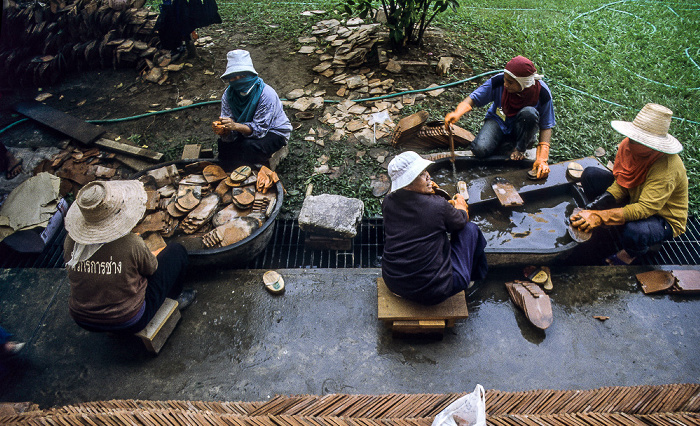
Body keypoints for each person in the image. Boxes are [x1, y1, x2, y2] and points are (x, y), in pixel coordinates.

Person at [63, 180, 195, 334]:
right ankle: (175, 297)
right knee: (176, 252)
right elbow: (151, 269)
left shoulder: (70, 241)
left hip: (82, 319)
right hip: (129, 320)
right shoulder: (131, 243)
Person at [570, 103, 688, 265]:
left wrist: (600, 216)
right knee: (591, 175)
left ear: (652, 145)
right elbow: (622, 183)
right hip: (634, 196)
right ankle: (611, 222)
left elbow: (645, 208)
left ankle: (633, 252)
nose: (629, 142)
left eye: (637, 140)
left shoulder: (667, 167)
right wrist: (598, 205)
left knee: (636, 232)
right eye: (632, 137)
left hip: (660, 216)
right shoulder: (629, 146)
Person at [381, 151, 488, 305]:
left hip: (394, 282)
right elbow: (461, 220)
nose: (428, 176)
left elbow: (421, 215)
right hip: (433, 291)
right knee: (470, 229)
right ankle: (473, 280)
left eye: (425, 171)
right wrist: (460, 205)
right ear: (408, 183)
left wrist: (430, 191)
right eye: (420, 174)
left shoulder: (388, 201)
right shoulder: (437, 205)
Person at [445, 55, 555, 179]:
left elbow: (546, 126)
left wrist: (542, 159)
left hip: (523, 125)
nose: (505, 84)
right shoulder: (498, 82)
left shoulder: (542, 93)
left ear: (523, 83)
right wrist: (458, 112)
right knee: (480, 149)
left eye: (510, 82)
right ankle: (506, 144)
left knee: (529, 113)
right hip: (498, 120)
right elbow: (474, 97)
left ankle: (520, 147)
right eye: (505, 79)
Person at [214, 49, 292, 168]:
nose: (239, 80)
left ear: (251, 75)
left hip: (272, 131)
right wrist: (224, 129)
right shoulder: (228, 95)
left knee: (249, 146)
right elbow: (228, 122)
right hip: (243, 129)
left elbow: (260, 130)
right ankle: (229, 176)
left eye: (243, 76)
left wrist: (235, 126)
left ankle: (252, 174)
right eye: (234, 78)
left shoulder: (266, 94)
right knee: (224, 146)